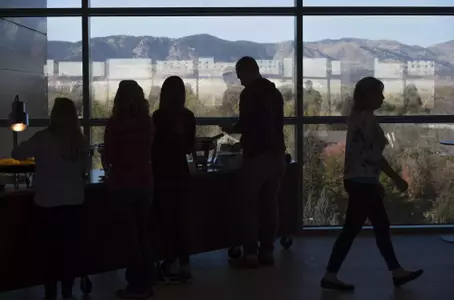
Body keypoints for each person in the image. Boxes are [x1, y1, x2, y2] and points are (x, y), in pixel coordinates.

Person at [321, 77, 424, 291]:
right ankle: (331, 275)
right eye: (379, 93)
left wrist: (375, 181)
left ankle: (396, 272)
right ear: (367, 96)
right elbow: (373, 155)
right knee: (354, 229)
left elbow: (361, 154)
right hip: (363, 182)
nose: (383, 97)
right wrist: (395, 178)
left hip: (360, 180)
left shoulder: (357, 117)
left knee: (380, 226)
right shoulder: (366, 119)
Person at [12, 97, 88, 300]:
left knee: (50, 255)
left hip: (47, 204)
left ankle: (50, 294)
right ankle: (67, 293)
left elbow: (17, 153)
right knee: (69, 253)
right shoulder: (79, 140)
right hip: (73, 203)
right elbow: (84, 169)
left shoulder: (43, 138)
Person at [222, 56, 286, 269]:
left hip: (256, 156)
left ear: (248, 71)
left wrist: (232, 129)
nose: (239, 80)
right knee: (269, 203)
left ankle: (250, 255)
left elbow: (248, 124)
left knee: (248, 205)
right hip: (276, 154)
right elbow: (272, 125)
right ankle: (267, 251)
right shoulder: (274, 93)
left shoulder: (249, 94)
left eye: (240, 75)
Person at [103, 80, 155, 299]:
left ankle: (135, 285)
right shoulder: (147, 122)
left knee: (130, 236)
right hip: (145, 181)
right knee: (144, 233)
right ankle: (146, 281)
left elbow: (110, 156)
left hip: (123, 183)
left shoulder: (115, 124)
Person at [152, 76, 196, 283]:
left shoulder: (158, 117)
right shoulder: (189, 116)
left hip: (161, 174)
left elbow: (152, 147)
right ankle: (184, 265)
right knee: (182, 222)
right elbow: (188, 148)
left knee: (164, 222)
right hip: (181, 173)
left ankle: (167, 262)